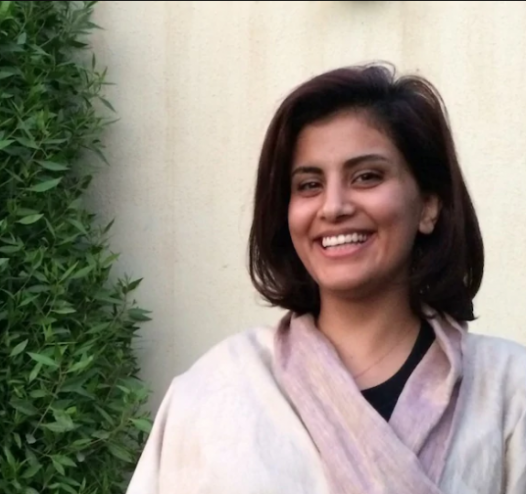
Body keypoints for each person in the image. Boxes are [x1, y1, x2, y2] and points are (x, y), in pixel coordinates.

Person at [125, 63, 526, 494]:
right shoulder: (215, 390)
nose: (333, 207)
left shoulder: (508, 388)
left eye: (366, 177)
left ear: (428, 206)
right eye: (309, 185)